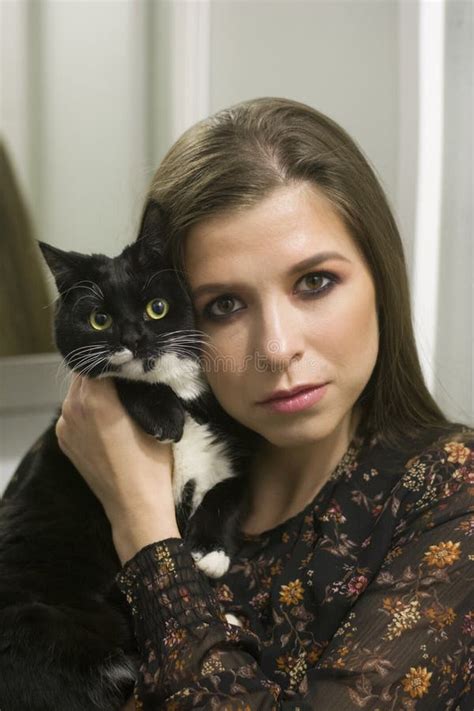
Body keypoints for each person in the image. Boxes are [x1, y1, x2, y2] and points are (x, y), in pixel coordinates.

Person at [56, 98, 473, 710]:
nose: (276, 350)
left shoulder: (451, 495)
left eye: (315, 282)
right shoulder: (112, 468)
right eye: (225, 305)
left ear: (381, 276)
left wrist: (144, 531)